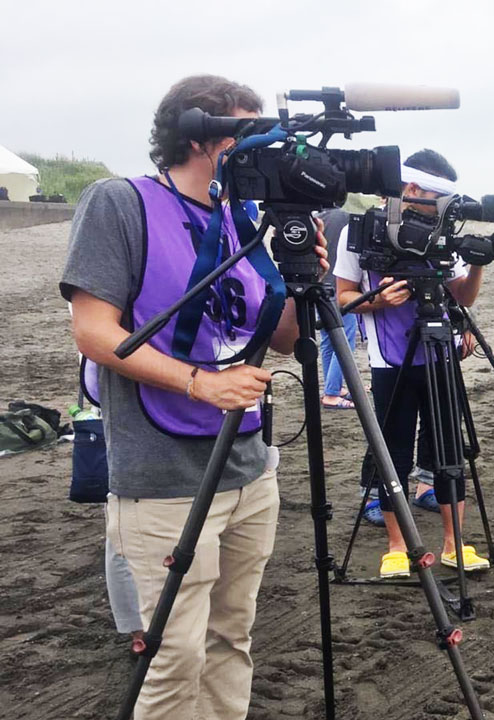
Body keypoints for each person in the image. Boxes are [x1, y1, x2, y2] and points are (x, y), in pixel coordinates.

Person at [61, 75, 327, 720]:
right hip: (162, 472)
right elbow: (95, 331)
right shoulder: (121, 203)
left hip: (248, 466)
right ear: (198, 137)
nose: (265, 150)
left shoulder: (243, 224)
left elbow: (285, 341)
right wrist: (199, 383)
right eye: (249, 135)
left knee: (231, 640)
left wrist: (303, 278)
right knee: (174, 654)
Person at [334, 148, 490, 576]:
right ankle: (397, 546)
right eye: (436, 196)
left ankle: (454, 544)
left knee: (448, 451)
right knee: (394, 453)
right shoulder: (360, 230)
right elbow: (343, 297)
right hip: (391, 360)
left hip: (439, 353)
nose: (441, 207)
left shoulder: (442, 232)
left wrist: (477, 265)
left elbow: (462, 296)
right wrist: (377, 299)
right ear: (412, 187)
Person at [317, 207, 362, 410]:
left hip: (320, 287)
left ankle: (334, 386)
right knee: (345, 342)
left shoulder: (317, 219)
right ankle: (332, 393)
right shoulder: (346, 217)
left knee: (328, 341)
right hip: (340, 288)